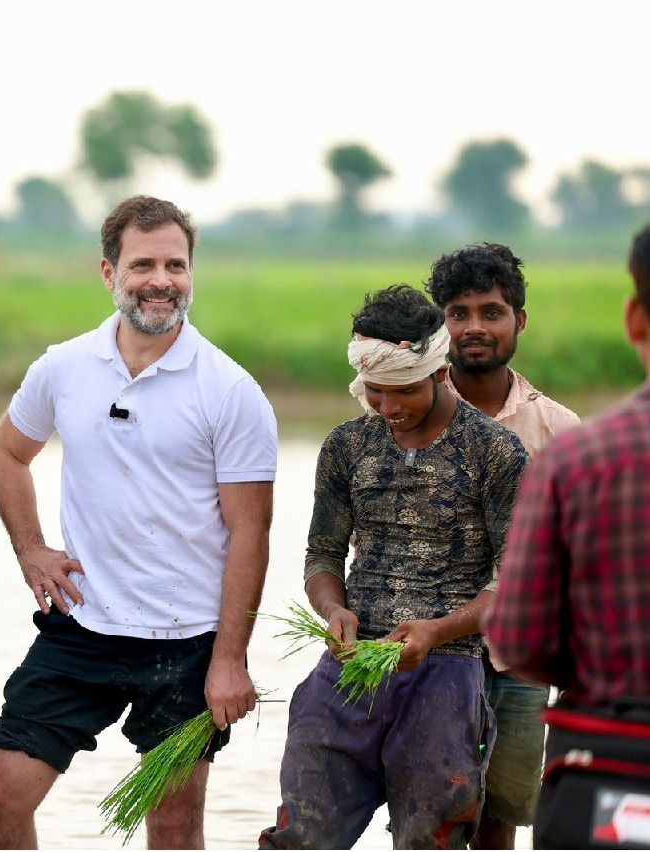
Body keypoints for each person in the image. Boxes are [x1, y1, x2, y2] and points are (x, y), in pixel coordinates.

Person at [0, 195, 278, 850]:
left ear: (192, 272)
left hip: (189, 638)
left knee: (172, 826)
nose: (161, 281)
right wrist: (31, 549)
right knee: (3, 791)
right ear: (109, 273)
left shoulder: (230, 391)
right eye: (143, 265)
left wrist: (230, 660)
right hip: (83, 626)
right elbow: (8, 453)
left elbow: (251, 535)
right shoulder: (63, 368)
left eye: (176, 264)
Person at [259, 284, 528, 850]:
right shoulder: (346, 447)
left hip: (448, 672)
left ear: (439, 372)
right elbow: (323, 556)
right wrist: (335, 610)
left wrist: (436, 632)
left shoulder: (496, 453)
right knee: (298, 837)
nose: (390, 408)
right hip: (350, 668)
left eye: (403, 391)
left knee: (431, 839)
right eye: (375, 393)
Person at [483, 224, 650, 849]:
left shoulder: (577, 459)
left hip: (611, 764)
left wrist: (601, 674)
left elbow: (520, 636)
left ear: (634, 319)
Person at [425, 242, 580, 849]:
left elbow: (578, 563)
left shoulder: (557, 430)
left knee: (500, 821)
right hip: (428, 653)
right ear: (440, 324)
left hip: (521, 660)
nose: (474, 328)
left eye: (491, 312)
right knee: (427, 817)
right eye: (457, 313)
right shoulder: (408, 413)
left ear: (519, 319)